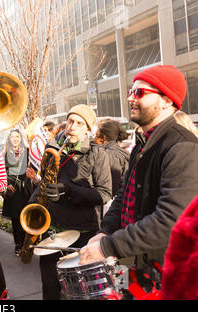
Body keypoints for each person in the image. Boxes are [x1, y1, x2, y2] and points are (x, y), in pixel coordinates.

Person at [80, 65, 198, 276]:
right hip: (137, 264)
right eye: (130, 92)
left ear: (166, 101)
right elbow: (124, 195)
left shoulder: (182, 146)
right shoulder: (144, 143)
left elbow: (172, 220)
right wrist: (105, 231)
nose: (130, 98)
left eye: (139, 92)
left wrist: (108, 247)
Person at [30, 104, 112, 300]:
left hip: (82, 233)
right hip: (52, 233)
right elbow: (44, 183)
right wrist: (32, 207)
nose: (72, 126)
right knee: (50, 290)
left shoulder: (97, 154)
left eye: (79, 123)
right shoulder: (52, 147)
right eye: (70, 121)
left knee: (80, 293)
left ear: (88, 128)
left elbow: (104, 193)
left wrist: (68, 191)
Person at [2, 128, 32, 256]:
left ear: (21, 139)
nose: (15, 139)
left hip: (25, 189)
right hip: (13, 191)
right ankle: (18, 244)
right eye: (13, 136)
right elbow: (2, 171)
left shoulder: (27, 152)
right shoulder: (5, 154)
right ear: (9, 138)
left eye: (17, 137)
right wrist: (7, 183)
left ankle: (27, 243)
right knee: (15, 219)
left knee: (26, 217)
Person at [93, 119, 129, 198]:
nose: (93, 139)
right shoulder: (119, 151)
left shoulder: (109, 155)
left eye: (94, 135)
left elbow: (112, 187)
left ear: (103, 137)